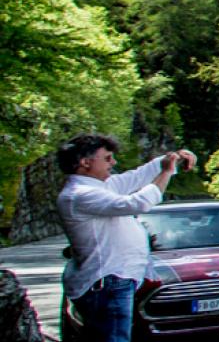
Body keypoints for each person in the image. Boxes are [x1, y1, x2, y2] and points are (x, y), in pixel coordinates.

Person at [55, 135, 196, 342]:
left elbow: (136, 178)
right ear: (85, 162)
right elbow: (137, 203)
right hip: (106, 281)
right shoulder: (79, 194)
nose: (113, 163)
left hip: (111, 280)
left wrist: (169, 160)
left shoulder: (97, 187)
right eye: (107, 158)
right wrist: (166, 172)